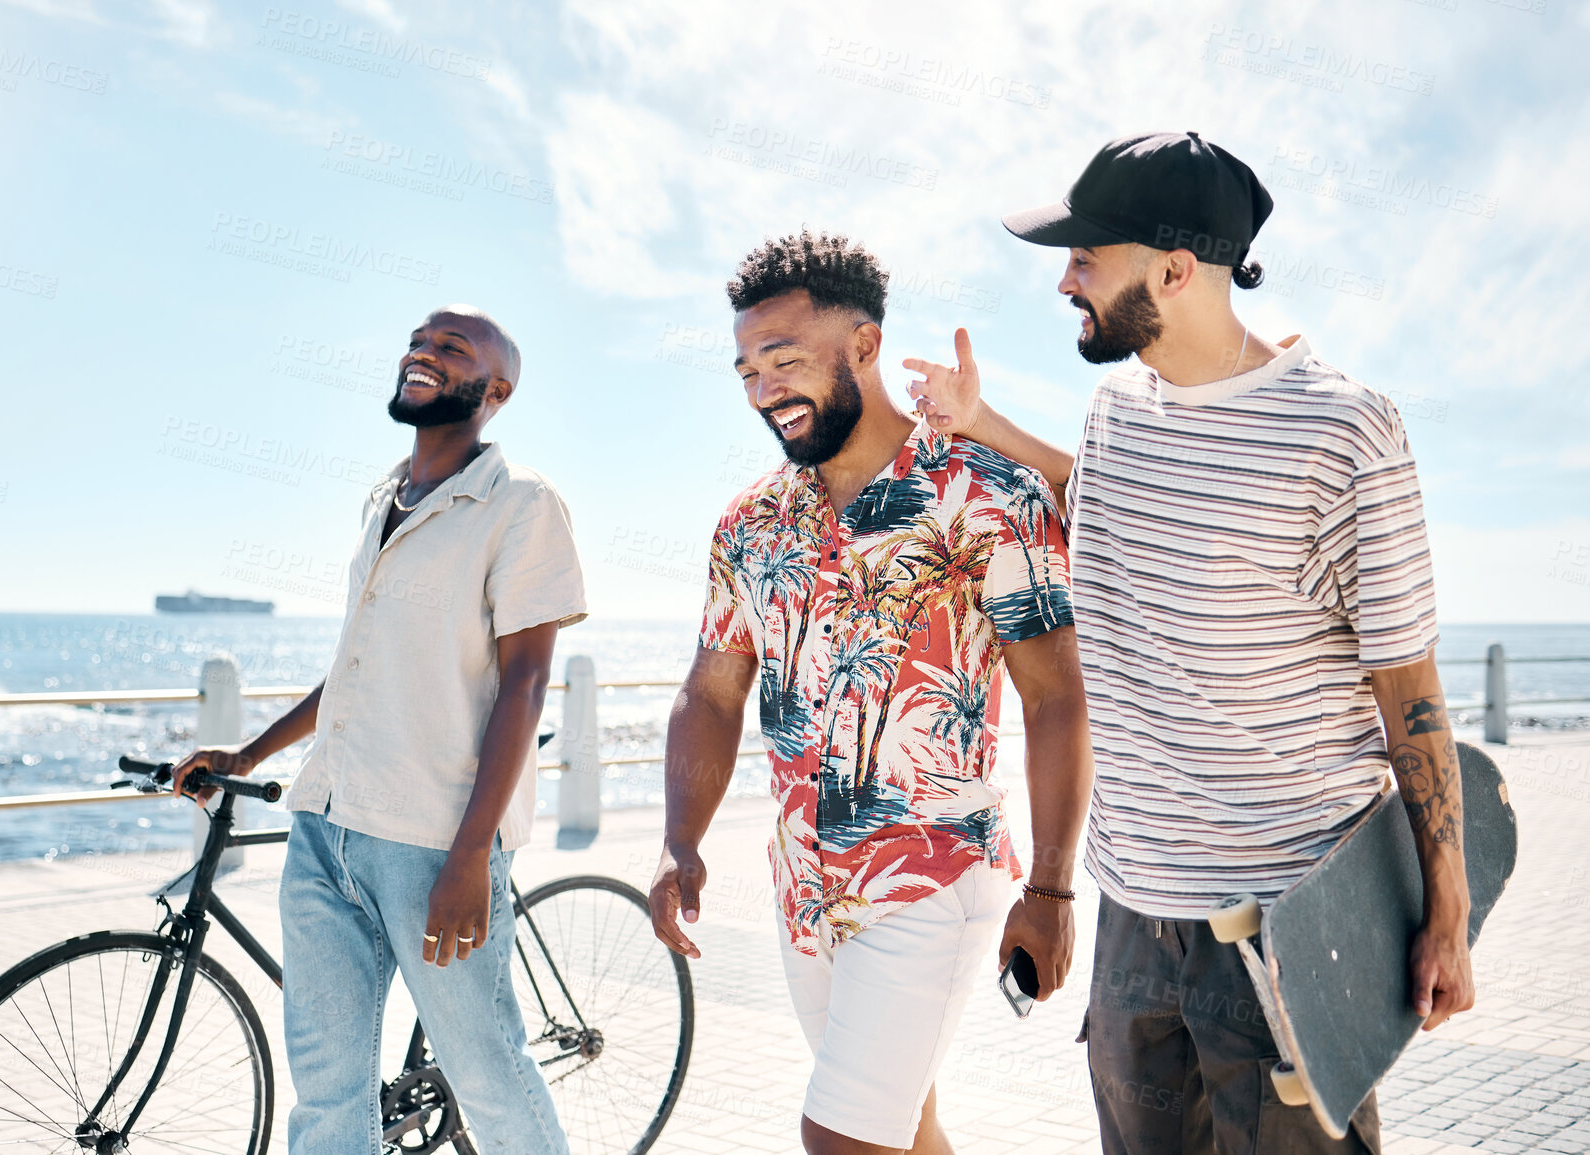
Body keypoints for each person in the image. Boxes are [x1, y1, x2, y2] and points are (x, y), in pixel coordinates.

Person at [903, 132, 1473, 1153]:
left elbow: (1410, 690)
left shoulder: (1342, 433)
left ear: (1176, 269)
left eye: (1087, 257)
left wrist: (1448, 907)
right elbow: (1102, 498)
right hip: (1133, 917)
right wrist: (980, 422)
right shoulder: (1118, 407)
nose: (1064, 280)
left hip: (1285, 929)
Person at [648, 230, 1094, 1155]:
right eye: (746, 371)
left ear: (862, 346)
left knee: (840, 1136)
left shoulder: (981, 492)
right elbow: (712, 691)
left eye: (784, 359)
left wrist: (1051, 888)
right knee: (903, 1129)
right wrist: (677, 839)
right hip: (801, 883)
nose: (764, 387)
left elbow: (1055, 696)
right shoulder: (748, 523)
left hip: (931, 872)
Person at [173, 304, 584, 1155]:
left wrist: (471, 856)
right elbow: (359, 669)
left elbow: (527, 681)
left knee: (490, 1078)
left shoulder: (520, 503)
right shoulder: (384, 498)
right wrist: (250, 752)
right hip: (324, 828)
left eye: (451, 347)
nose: (422, 353)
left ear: (495, 389)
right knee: (326, 1093)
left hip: (433, 841)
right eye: (418, 340)